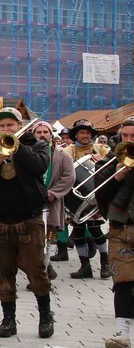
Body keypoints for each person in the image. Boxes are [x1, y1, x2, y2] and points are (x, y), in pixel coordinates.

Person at [0, 107, 53, 339]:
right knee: (3, 271)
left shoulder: (36, 144)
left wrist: (17, 148)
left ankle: (46, 316)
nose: (6, 129)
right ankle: (8, 319)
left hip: (29, 217)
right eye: (2, 126)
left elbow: (40, 167)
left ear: (20, 126)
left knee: (36, 270)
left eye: (10, 125)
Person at [92, 117, 134, 348]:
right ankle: (123, 336)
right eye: (125, 136)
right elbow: (100, 193)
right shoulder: (111, 160)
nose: (128, 140)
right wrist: (117, 176)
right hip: (121, 228)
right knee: (123, 281)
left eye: (133, 137)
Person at [64, 118, 110, 279]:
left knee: (95, 228)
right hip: (77, 197)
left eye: (87, 133)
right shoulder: (68, 150)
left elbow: (113, 165)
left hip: (96, 196)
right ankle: (85, 266)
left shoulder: (101, 148)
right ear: (76, 135)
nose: (85, 135)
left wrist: (103, 162)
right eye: (82, 132)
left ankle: (105, 262)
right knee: (78, 231)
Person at [33, 121, 74, 280]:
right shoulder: (30, 153)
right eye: (39, 132)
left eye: (45, 132)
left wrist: (53, 193)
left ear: (51, 135)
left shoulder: (62, 155)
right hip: (31, 203)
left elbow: (69, 177)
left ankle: (42, 274)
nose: (42, 135)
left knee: (46, 241)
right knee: (33, 241)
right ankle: (46, 267)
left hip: (51, 202)